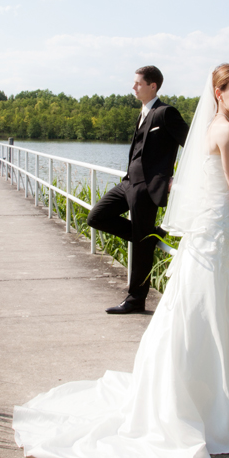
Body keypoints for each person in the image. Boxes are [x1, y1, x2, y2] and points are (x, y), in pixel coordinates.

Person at [12, 64, 229, 458]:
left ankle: (207, 400)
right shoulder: (226, 131)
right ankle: (216, 407)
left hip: (217, 235)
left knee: (206, 316)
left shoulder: (219, 127)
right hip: (216, 239)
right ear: (218, 91)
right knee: (216, 313)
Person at [86, 65, 189, 314]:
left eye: (138, 83)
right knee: (96, 217)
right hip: (128, 182)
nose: (133, 87)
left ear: (152, 86)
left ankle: (135, 300)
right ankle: (149, 237)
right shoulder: (143, 112)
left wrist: (174, 177)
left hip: (148, 188)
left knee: (141, 245)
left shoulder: (166, 113)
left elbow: (191, 145)